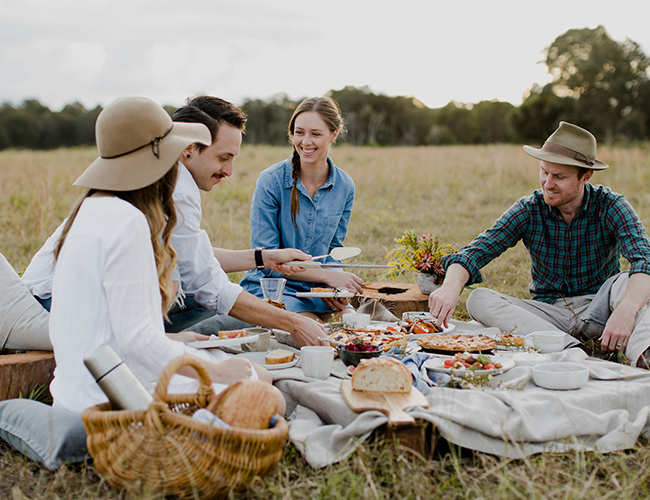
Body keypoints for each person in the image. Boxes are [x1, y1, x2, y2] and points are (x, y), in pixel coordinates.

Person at [22, 96, 328, 346]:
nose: (229, 171)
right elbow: (207, 282)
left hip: (47, 297)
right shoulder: (176, 187)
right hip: (57, 307)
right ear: (189, 148)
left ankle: (176, 340)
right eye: (223, 157)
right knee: (205, 298)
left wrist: (264, 258)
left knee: (195, 291)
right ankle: (173, 342)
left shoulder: (151, 175)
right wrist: (293, 322)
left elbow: (188, 254)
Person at [48, 96, 284, 414]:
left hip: (74, 389)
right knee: (263, 385)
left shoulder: (90, 209)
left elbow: (114, 330)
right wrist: (215, 371)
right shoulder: (130, 222)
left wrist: (179, 342)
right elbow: (138, 344)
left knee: (238, 368)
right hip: (117, 398)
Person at [428, 121, 650, 368]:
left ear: (586, 176)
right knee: (478, 299)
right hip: (548, 314)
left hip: (600, 308)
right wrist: (449, 288)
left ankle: (644, 358)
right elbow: (475, 252)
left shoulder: (611, 205)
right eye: (544, 172)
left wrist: (627, 309)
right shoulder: (529, 209)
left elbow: (644, 259)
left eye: (559, 176)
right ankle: (576, 350)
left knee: (631, 285)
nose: (548, 183)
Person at [238, 97, 363, 322]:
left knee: (356, 327)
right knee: (315, 334)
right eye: (299, 132)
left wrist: (336, 287)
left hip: (316, 291)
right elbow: (267, 259)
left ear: (333, 135)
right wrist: (326, 276)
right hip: (272, 288)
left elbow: (333, 250)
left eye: (315, 134)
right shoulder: (271, 181)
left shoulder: (345, 186)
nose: (306, 141)